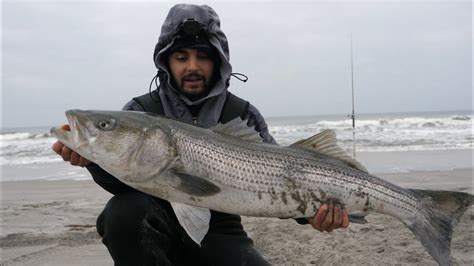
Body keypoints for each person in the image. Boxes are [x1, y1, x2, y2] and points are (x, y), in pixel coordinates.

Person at [52, 4, 349, 265]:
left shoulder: (242, 114)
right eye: (181, 57)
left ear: (217, 61)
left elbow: (280, 179)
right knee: (123, 213)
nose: (192, 66)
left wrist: (311, 213)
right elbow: (124, 184)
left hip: (222, 229)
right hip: (156, 224)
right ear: (166, 62)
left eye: (202, 57)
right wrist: (92, 161)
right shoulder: (139, 111)